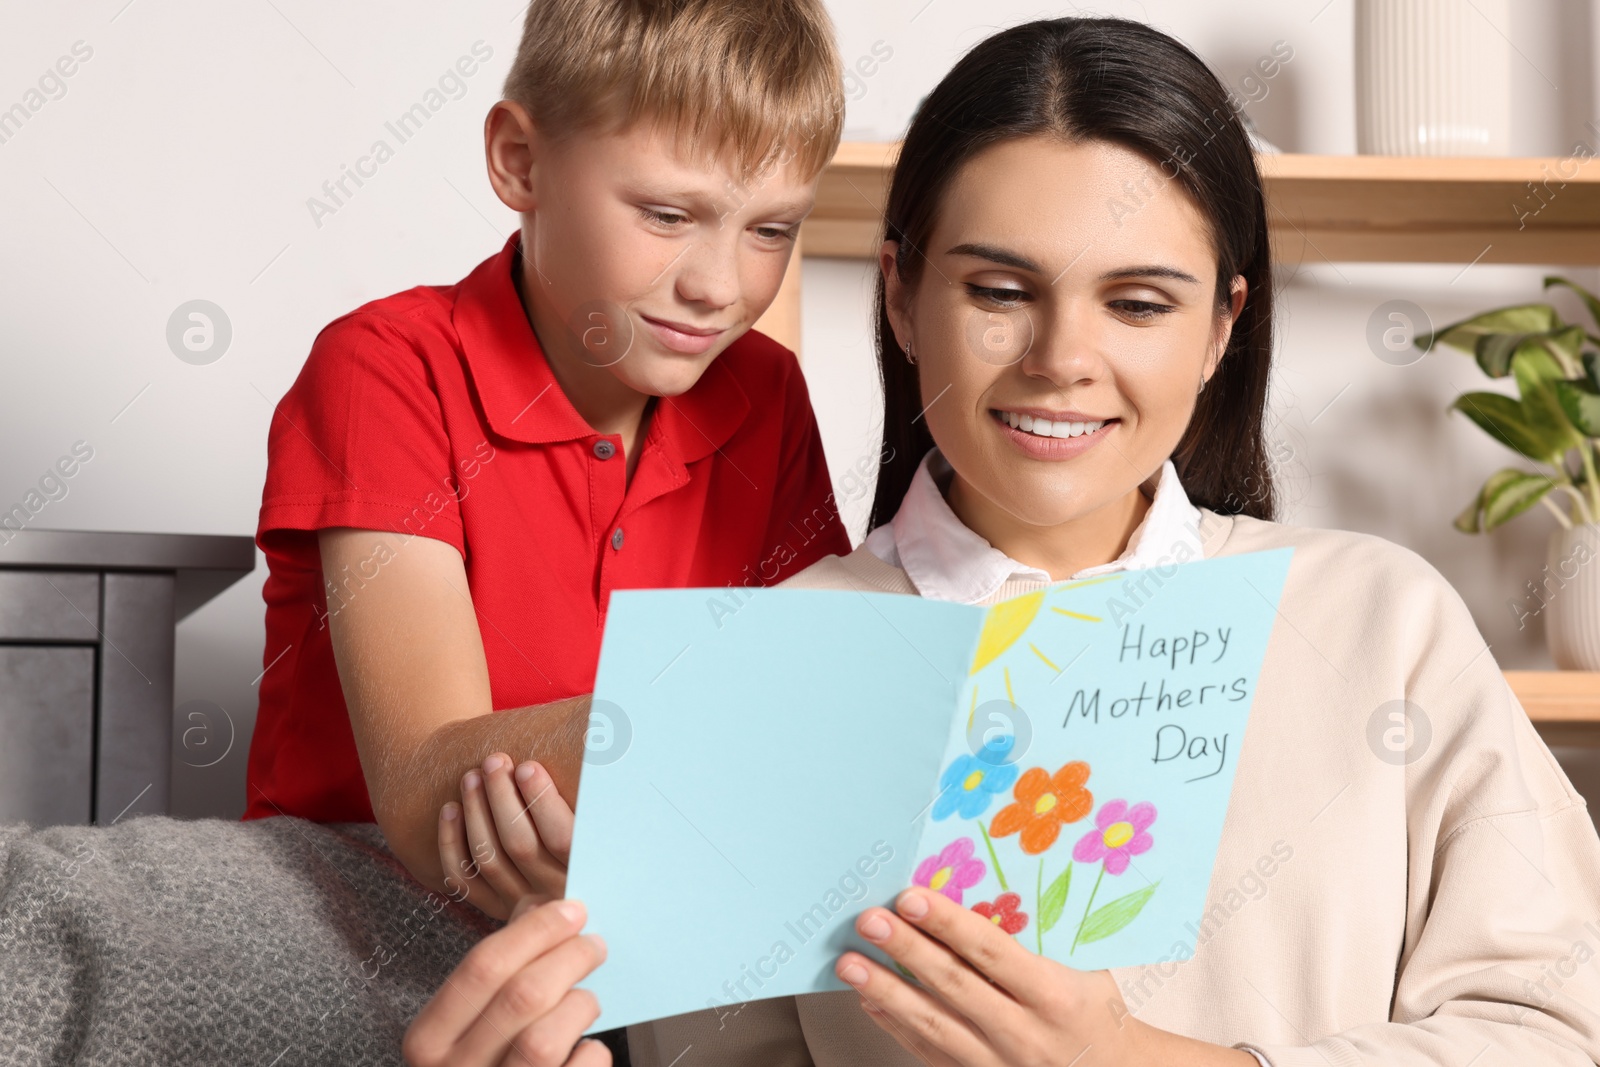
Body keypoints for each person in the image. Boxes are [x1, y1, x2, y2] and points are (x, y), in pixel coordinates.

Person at [452, 14, 1600, 1067]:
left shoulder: (1377, 620)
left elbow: (1557, 1026)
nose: (1060, 356)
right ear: (900, 297)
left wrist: (1131, 1059)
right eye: (1000, 288)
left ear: (1220, 325)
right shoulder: (775, 659)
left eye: (1140, 303)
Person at [241, 0, 851, 919]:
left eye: (771, 230)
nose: (720, 286)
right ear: (520, 161)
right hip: (358, 900)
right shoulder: (387, 367)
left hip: (643, 897)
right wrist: (745, 728)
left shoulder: (764, 393)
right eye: (666, 213)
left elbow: (819, 721)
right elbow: (426, 795)